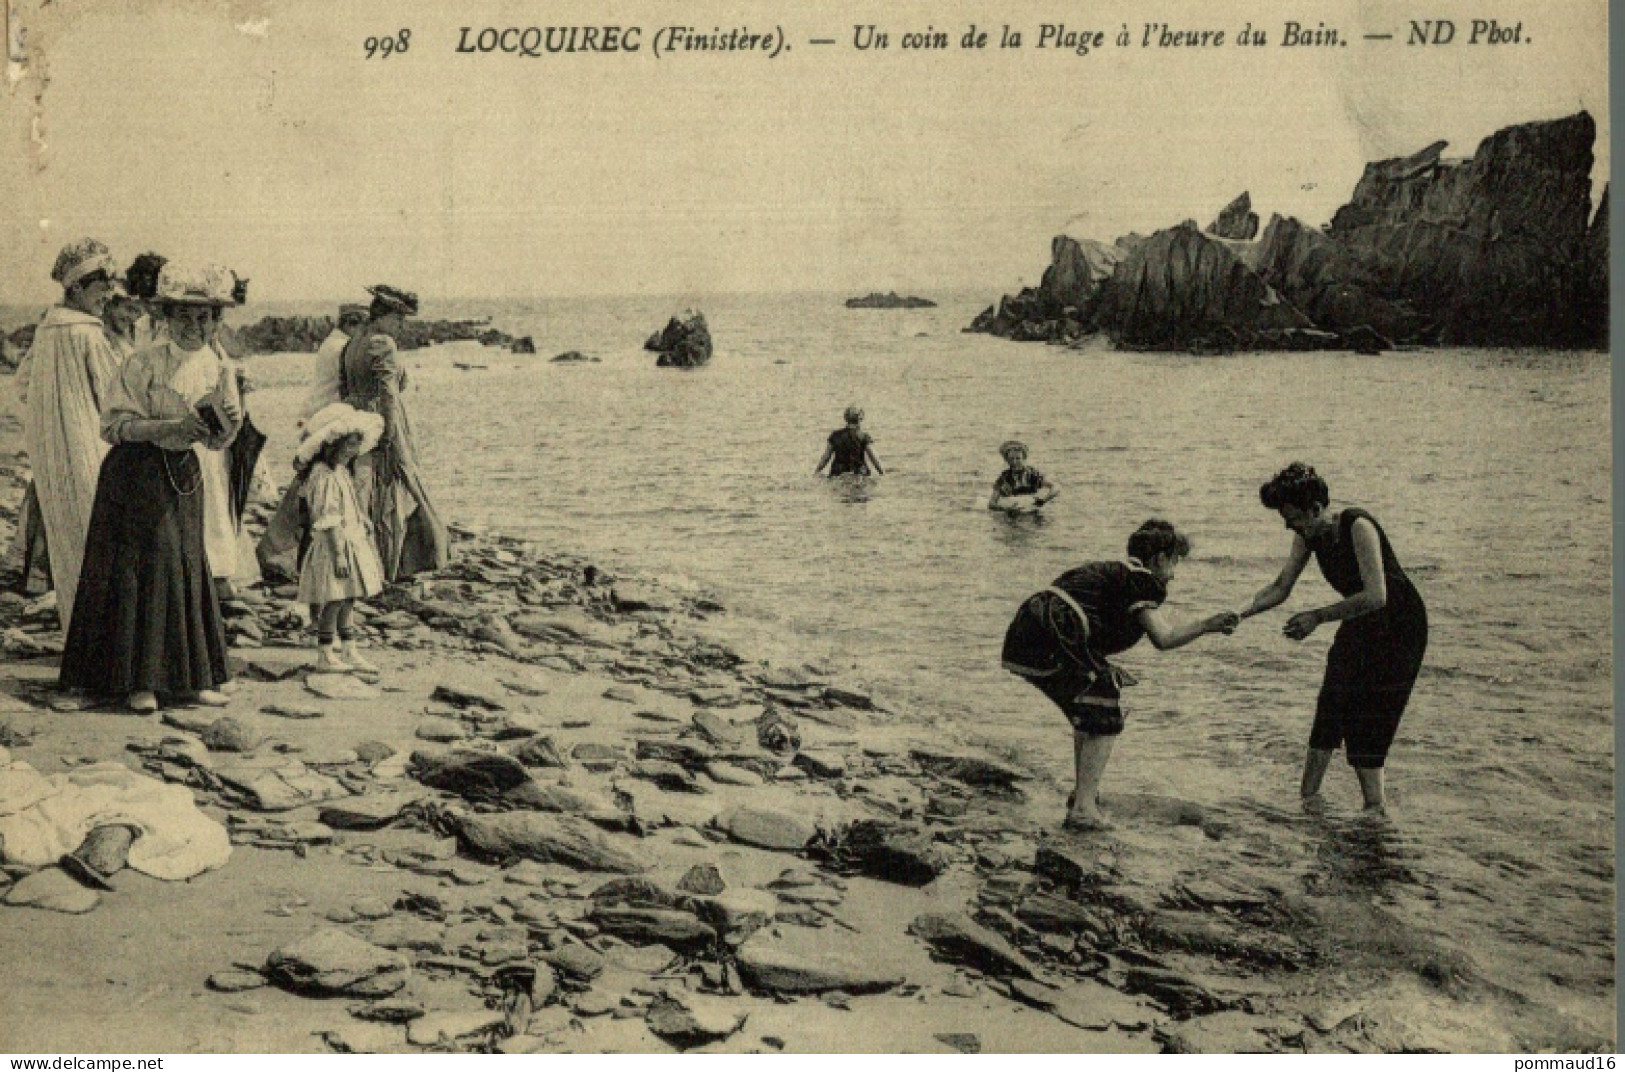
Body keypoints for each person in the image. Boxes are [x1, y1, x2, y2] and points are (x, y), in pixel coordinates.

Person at [59, 262, 241, 713]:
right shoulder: (142, 363)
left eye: (205, 317)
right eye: (185, 316)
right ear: (165, 318)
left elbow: (224, 434)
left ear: (216, 321)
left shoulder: (220, 365)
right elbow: (113, 426)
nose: (195, 327)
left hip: (184, 475)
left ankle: (192, 678)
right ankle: (138, 682)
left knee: (185, 567)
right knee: (140, 572)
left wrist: (221, 431)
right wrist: (171, 425)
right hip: (133, 475)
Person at [1002, 521, 1238, 831]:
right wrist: (1209, 624)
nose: (1174, 573)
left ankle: (1083, 797)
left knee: (1089, 704)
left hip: (1027, 634)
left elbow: (1074, 611)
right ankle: (1084, 809)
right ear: (1160, 559)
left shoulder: (1110, 573)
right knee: (1104, 702)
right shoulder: (1142, 581)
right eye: (1174, 562)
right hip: (1054, 630)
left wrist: (1098, 663)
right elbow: (1163, 638)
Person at [1239, 463, 1428, 816]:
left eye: (1292, 517)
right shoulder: (1308, 534)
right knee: (1331, 701)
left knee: (1369, 720)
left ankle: (1375, 809)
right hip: (1360, 620)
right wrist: (1239, 614)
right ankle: (1308, 799)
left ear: (1315, 509)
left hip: (1401, 627)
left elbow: (1377, 596)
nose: (1287, 525)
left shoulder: (1358, 526)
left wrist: (1317, 617)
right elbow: (1281, 587)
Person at [14, 239, 122, 632]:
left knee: (66, 547)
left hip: (52, 455)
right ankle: (104, 646)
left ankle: (77, 638)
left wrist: (49, 424)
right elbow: (115, 396)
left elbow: (21, 388)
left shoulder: (46, 330)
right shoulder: (88, 335)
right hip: (90, 450)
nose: (108, 296)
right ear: (76, 288)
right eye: (101, 287)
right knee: (102, 542)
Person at [340, 285, 450, 581]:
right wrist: (388, 433)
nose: (402, 326)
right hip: (382, 420)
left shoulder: (354, 341)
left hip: (355, 418)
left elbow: (344, 387)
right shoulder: (383, 343)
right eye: (398, 319)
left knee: (365, 491)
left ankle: (370, 562)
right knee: (396, 489)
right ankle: (395, 564)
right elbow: (389, 393)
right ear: (384, 316)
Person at [294, 404, 386, 673]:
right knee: (334, 600)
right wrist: (339, 554)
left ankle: (349, 649)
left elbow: (349, 504)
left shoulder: (340, 472)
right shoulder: (323, 476)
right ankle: (325, 653)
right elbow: (329, 517)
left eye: (355, 448)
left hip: (351, 541)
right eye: (347, 447)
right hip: (334, 546)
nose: (352, 453)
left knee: (349, 598)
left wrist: (362, 519)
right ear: (332, 446)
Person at [304, 304, 369, 421]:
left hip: (317, 407)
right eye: (364, 328)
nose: (366, 334)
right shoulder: (342, 347)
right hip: (328, 412)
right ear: (350, 324)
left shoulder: (332, 342)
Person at [988, 440, 1058, 514]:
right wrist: (1006, 509)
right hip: (1012, 511)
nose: (1014, 462)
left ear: (1023, 458)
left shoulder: (1032, 473)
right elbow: (991, 504)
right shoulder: (1004, 477)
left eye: (1018, 458)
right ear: (1007, 460)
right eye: (1011, 459)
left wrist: (1044, 500)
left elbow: (1055, 487)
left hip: (1032, 508)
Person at [815, 405, 884, 478]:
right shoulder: (863, 436)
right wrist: (882, 473)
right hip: (858, 473)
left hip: (838, 473)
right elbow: (874, 458)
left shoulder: (835, 435)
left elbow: (825, 458)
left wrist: (816, 472)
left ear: (845, 418)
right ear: (860, 419)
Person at [101, 281, 144, 364]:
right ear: (111, 305)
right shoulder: (96, 335)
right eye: (129, 309)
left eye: (138, 315)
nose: (133, 318)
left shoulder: (126, 340)